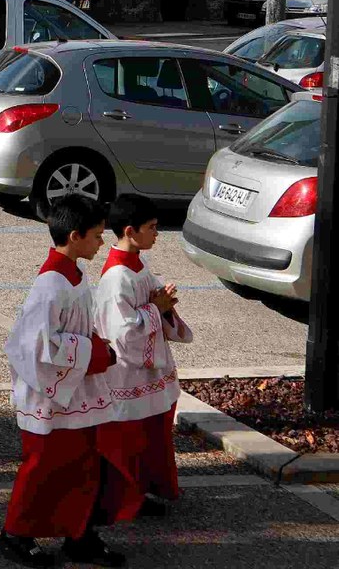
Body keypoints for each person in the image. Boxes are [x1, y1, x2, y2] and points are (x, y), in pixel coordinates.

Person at [0, 194, 128, 569]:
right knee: (44, 468)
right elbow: (38, 346)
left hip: (74, 388)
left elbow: (75, 329)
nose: (101, 243)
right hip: (50, 393)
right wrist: (95, 352)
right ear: (74, 236)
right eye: (97, 235)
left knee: (82, 465)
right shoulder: (50, 286)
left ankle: (79, 533)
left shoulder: (74, 275)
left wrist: (95, 345)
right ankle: (15, 535)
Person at [94, 194, 192, 520]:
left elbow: (151, 305)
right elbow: (121, 333)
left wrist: (162, 303)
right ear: (129, 231)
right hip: (127, 373)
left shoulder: (138, 264)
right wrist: (156, 308)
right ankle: (126, 500)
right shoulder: (115, 278)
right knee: (129, 441)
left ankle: (148, 488)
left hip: (149, 371)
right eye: (151, 227)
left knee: (152, 434)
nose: (157, 234)